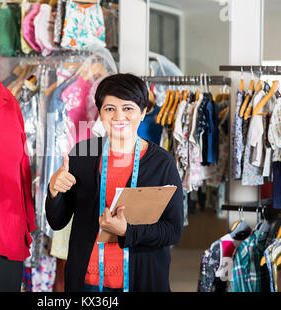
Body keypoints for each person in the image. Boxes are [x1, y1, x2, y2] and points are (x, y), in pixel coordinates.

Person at [45, 73, 184, 292]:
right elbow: (57, 220)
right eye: (110, 108)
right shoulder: (84, 152)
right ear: (100, 113)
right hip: (87, 281)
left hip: (141, 281)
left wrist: (128, 231)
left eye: (128, 108)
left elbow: (173, 230)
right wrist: (54, 191)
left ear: (143, 112)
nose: (119, 116)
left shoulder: (161, 162)